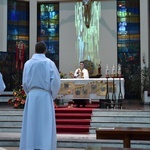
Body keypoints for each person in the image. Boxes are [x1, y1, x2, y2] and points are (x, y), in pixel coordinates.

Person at [19, 41, 60, 150]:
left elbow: (25, 82)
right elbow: (56, 82)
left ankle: (30, 145)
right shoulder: (49, 63)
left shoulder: (28, 64)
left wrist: (30, 93)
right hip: (45, 96)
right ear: (45, 50)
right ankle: (45, 146)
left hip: (32, 96)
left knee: (31, 123)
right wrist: (51, 94)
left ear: (35, 50)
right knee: (45, 123)